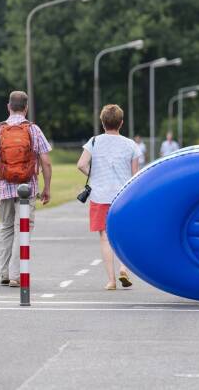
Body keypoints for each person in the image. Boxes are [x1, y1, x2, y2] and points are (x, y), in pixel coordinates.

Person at [0, 91, 52, 287]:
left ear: (8, 107)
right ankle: (17, 274)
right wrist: (46, 188)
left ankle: (4, 272)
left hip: (3, 186)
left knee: (6, 228)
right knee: (22, 229)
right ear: (26, 108)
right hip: (28, 186)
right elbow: (46, 162)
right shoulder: (33, 130)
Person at [77, 104, 140, 290]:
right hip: (123, 196)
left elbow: (81, 164)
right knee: (124, 234)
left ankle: (111, 280)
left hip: (99, 195)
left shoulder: (94, 141)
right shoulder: (131, 145)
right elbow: (135, 174)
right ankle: (123, 268)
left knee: (105, 237)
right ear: (121, 123)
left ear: (102, 123)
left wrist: (93, 176)